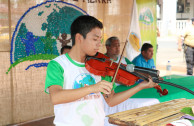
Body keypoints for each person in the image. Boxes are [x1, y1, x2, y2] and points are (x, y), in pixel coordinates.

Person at [45, 15, 157, 126]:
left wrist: (139, 86)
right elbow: (56, 97)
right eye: (95, 39)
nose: (99, 44)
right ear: (79, 38)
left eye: (100, 39)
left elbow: (111, 100)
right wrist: (93, 88)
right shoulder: (57, 64)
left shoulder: (101, 65)